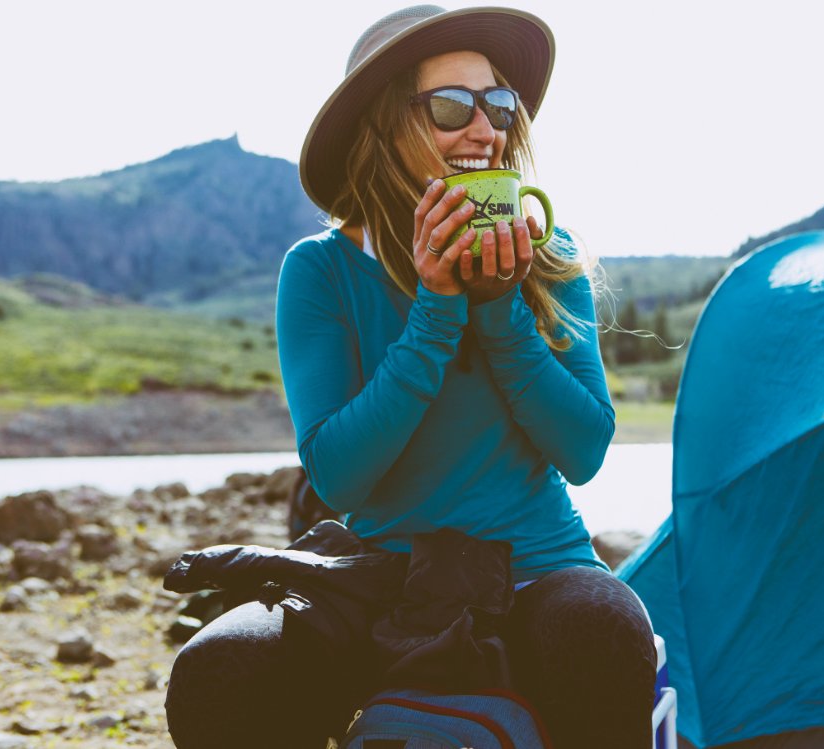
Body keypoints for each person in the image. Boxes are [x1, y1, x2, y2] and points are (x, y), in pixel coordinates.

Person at [165, 5, 657, 747]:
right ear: (385, 124)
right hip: (379, 574)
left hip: (536, 565)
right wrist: (436, 311)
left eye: (499, 105)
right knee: (220, 669)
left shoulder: (548, 257)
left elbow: (584, 450)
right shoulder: (323, 269)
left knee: (605, 627)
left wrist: (499, 311)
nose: (485, 129)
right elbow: (339, 476)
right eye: (452, 106)